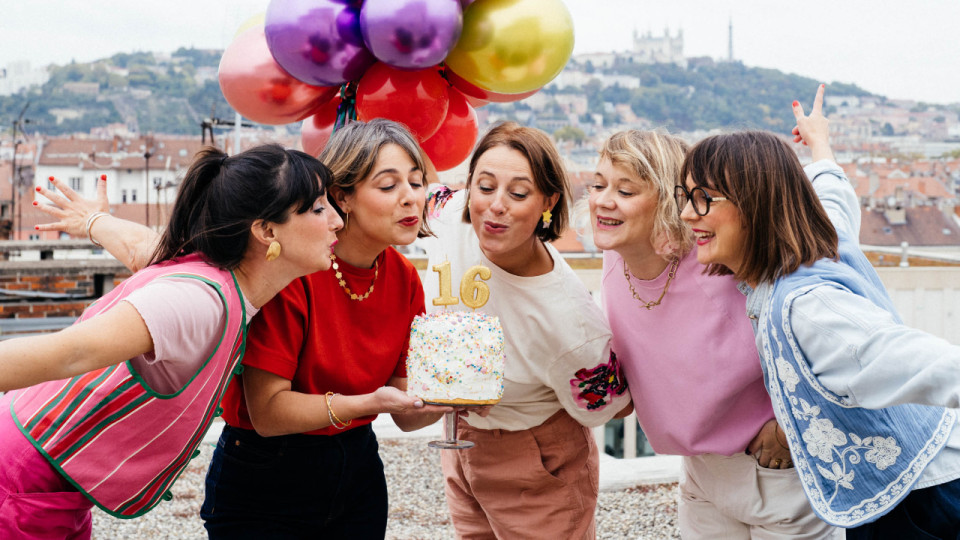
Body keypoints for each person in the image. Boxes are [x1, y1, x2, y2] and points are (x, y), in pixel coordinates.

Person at [35, 120, 451, 538]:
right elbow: (268, 413)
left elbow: (405, 410)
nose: (411, 198)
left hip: (358, 467)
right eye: (388, 185)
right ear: (342, 196)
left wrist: (453, 401)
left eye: (417, 182)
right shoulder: (293, 267)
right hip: (267, 471)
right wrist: (368, 403)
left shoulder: (404, 278)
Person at [0, 144, 342, 538]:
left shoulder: (209, 271)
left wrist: (94, 220)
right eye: (319, 208)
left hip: (47, 474)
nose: (336, 220)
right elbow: (72, 352)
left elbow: (140, 246)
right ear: (266, 231)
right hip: (21, 479)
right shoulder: (199, 302)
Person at [678, 84, 960, 536]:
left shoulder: (805, 309)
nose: (689, 215)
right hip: (912, 477)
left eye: (704, 199)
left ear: (755, 205)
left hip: (923, 493)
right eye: (685, 196)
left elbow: (926, 364)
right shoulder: (822, 241)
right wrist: (820, 144)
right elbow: (834, 196)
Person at [587, 129, 838, 538]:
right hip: (700, 472)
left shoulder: (719, 257)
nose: (602, 200)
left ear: (669, 200)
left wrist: (790, 428)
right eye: (598, 185)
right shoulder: (615, 258)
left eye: (626, 190)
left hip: (773, 472)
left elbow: (820, 335)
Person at [422, 122, 633, 539]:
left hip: (537, 456)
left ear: (548, 202)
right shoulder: (450, 216)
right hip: (461, 442)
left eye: (518, 193)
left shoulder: (569, 317)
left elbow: (614, 406)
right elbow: (418, 187)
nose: (495, 205)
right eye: (484, 186)